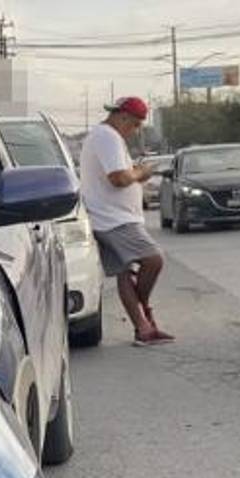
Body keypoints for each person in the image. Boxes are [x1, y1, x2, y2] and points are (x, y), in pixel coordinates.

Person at [79, 96, 173, 346]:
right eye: (134, 124)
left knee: (124, 273)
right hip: (114, 219)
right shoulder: (107, 137)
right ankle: (145, 313)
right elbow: (119, 178)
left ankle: (143, 329)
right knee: (153, 260)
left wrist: (135, 172)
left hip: (109, 217)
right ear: (122, 116)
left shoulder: (103, 136)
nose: (136, 130)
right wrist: (142, 173)